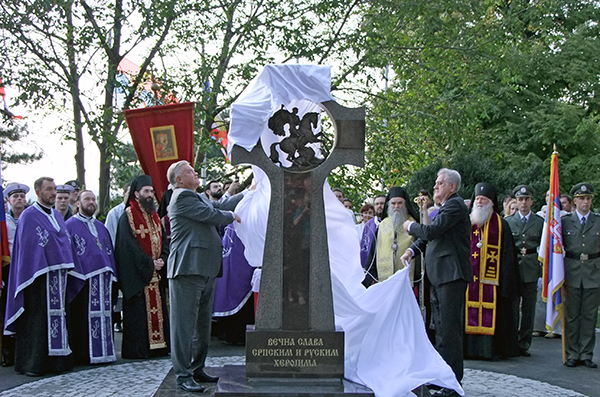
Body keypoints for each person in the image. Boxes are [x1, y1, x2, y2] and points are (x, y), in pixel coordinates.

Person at [166, 160, 244, 392]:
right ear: (179, 179)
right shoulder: (182, 196)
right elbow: (212, 214)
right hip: (187, 268)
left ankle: (197, 368)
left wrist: (249, 194)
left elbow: (221, 204)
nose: (195, 173)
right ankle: (183, 375)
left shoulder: (197, 195)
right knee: (184, 326)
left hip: (206, 268)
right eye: (190, 171)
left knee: (201, 326)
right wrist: (231, 216)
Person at [401, 168, 472, 397]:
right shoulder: (445, 209)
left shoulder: (455, 205)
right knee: (440, 329)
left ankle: (452, 383)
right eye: (435, 183)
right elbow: (431, 236)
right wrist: (412, 250)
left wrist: (410, 226)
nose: (435, 187)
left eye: (440, 183)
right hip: (440, 276)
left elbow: (432, 231)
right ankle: (443, 376)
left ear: (452, 186)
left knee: (449, 331)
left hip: (451, 275)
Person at [4, 177, 74, 376]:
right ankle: (34, 364)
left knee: (58, 317)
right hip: (37, 277)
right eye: (49, 189)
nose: (53, 193)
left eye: (54, 189)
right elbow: (28, 248)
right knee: (38, 321)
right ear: (38, 192)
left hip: (57, 277)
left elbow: (63, 241)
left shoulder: (56, 215)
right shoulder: (29, 215)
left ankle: (58, 362)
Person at [463, 182, 520, 361]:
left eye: (484, 199)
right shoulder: (467, 224)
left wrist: (506, 285)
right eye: (477, 199)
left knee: (496, 314)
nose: (479, 202)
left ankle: (490, 350)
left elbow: (508, 258)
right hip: (468, 282)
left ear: (492, 202)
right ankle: (469, 350)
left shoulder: (501, 226)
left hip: (493, 285)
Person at [114, 175, 169, 359]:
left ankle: (158, 347)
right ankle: (140, 350)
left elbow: (164, 241)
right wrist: (149, 264)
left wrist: (162, 258)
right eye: (146, 191)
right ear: (136, 193)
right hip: (139, 279)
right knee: (140, 317)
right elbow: (127, 248)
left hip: (156, 275)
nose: (150, 195)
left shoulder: (154, 215)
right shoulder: (127, 216)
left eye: (152, 191)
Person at [65, 190, 117, 365]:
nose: (91, 202)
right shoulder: (70, 225)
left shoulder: (101, 227)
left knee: (104, 315)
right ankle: (85, 355)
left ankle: (105, 353)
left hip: (103, 282)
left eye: (93, 199)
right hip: (82, 281)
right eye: (87, 199)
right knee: (83, 317)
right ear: (78, 203)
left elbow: (108, 253)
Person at [562, 182, 600, 368]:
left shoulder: (598, 221)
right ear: (575, 201)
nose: (586, 202)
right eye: (582, 198)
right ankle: (572, 353)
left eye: (588, 198)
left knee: (589, 315)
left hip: (593, 271)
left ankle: (586, 353)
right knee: (571, 315)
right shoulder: (565, 221)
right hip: (572, 271)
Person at [505, 185, 544, 357]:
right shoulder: (508, 221)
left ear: (532, 202)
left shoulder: (539, 222)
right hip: (514, 267)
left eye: (526, 199)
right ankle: (512, 341)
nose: (523, 203)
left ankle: (524, 343)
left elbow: (543, 249)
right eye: (520, 199)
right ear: (516, 202)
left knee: (528, 308)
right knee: (512, 307)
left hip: (531, 267)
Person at [363, 187, 419, 287]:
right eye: (393, 203)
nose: (396, 206)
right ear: (389, 205)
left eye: (400, 203)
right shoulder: (383, 224)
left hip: (408, 279)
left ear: (405, 204)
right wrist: (372, 275)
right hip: (385, 281)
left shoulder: (413, 223)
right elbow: (373, 251)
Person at [1, 182, 29, 367]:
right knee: (8, 309)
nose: (19, 199)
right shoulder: (4, 222)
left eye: (21, 196)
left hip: (27, 268)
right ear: (9, 201)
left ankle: (24, 351)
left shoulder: (30, 217)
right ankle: (8, 353)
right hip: (8, 268)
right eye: (15, 197)